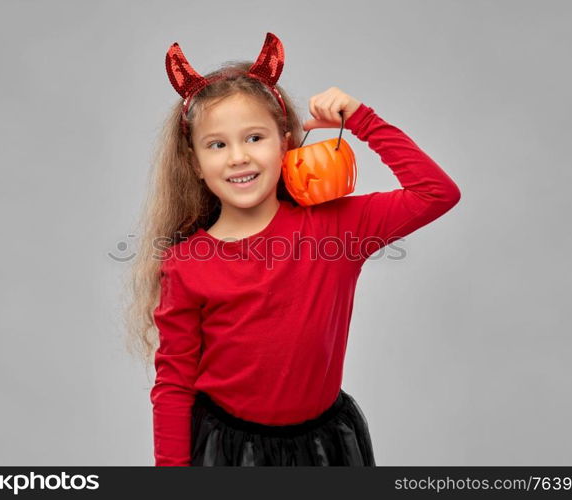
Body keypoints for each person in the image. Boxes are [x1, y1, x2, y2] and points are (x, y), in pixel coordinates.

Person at [125, 32, 461, 466]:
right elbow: (173, 385)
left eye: (254, 138)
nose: (237, 158)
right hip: (230, 451)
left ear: (284, 142)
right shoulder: (187, 264)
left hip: (326, 447)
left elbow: (437, 193)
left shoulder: (336, 229)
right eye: (217, 144)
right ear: (194, 162)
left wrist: (363, 120)